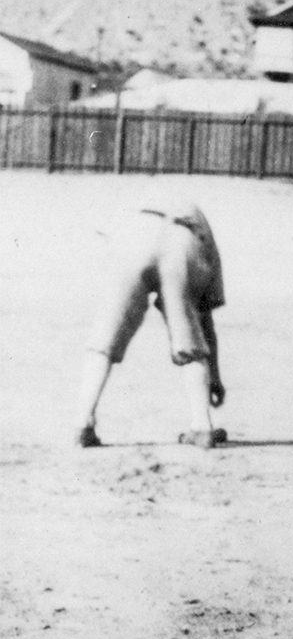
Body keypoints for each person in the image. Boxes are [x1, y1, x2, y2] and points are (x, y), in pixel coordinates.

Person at [75, 190, 227, 450]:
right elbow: (206, 322)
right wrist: (214, 377)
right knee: (189, 335)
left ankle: (81, 424)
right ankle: (202, 428)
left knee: (105, 337)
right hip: (185, 240)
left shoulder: (133, 205)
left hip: (133, 235)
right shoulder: (204, 230)